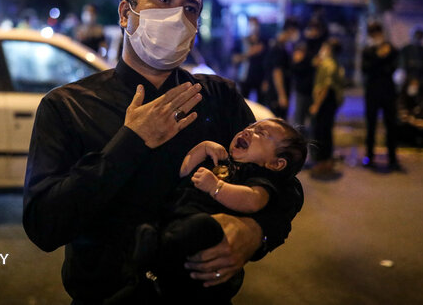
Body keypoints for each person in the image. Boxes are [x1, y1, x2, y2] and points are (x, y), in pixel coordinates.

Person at [23, 0, 304, 304]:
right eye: (164, 0)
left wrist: (257, 231)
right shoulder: (67, 106)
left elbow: (284, 185)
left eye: (190, 8)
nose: (178, 16)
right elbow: (43, 226)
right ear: (126, 13)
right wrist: (130, 143)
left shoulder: (218, 98)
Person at [130, 118, 307, 303]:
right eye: (249, 127)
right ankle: (153, 252)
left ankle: (155, 251)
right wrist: (203, 148)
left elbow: (253, 200)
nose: (248, 131)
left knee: (201, 226)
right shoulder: (221, 159)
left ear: (276, 164)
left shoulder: (259, 177)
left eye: (261, 133)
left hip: (206, 231)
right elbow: (184, 170)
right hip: (175, 215)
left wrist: (216, 188)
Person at [361, 22, 401, 171]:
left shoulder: (391, 49)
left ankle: (393, 159)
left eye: (377, 32)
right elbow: (365, 69)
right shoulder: (368, 50)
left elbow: (394, 67)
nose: (376, 36)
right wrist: (379, 58)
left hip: (388, 92)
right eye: (373, 33)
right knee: (370, 126)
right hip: (372, 93)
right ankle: (369, 157)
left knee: (391, 125)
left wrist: (383, 58)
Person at [309, 38, 345, 179]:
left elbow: (325, 86)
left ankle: (323, 162)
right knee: (325, 131)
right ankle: (325, 161)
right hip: (330, 102)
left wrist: (316, 105)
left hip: (326, 102)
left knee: (321, 132)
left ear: (329, 49)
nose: (321, 49)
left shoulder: (328, 64)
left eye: (324, 47)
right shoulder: (332, 63)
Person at [262, 22, 299, 119]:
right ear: (290, 31)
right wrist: (282, 95)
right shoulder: (279, 49)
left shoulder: (276, 46)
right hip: (277, 92)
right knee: (278, 122)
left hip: (273, 90)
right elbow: (277, 73)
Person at [231, 17, 266, 102]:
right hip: (245, 78)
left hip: (260, 79)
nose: (254, 27)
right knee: (244, 103)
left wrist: (266, 80)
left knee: (260, 105)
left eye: (255, 24)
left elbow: (268, 63)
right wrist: (249, 53)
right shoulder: (241, 41)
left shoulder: (263, 41)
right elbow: (234, 59)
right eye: (251, 24)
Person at [397, 77, 423, 147]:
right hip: (407, 124)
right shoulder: (402, 98)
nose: (414, 87)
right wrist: (414, 121)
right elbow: (403, 116)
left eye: (416, 85)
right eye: (412, 85)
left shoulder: (419, 99)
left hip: (418, 123)